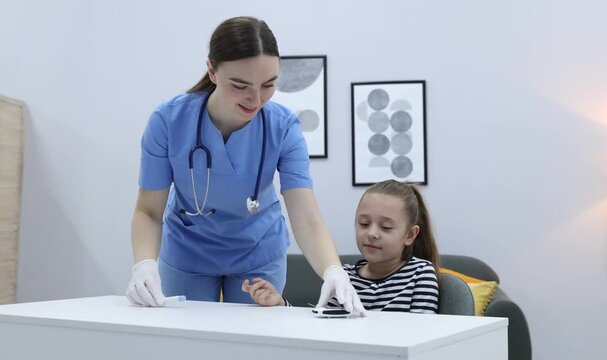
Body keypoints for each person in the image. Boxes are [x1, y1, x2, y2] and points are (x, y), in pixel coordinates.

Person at [125, 16, 364, 315]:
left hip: (257, 252)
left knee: (255, 344)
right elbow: (148, 210)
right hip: (189, 251)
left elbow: (306, 215)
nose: (256, 99)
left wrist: (332, 270)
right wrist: (145, 264)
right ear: (212, 70)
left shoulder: (283, 127)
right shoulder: (168, 122)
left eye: (269, 85)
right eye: (240, 85)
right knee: (186, 343)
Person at [242, 179, 440, 314]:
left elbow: (420, 337)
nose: (371, 233)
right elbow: (322, 329)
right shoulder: (344, 277)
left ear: (410, 235)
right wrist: (279, 304)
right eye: (363, 223)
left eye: (386, 227)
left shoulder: (420, 274)